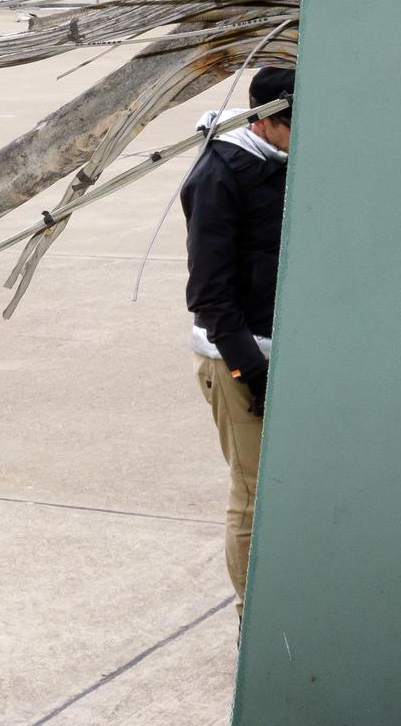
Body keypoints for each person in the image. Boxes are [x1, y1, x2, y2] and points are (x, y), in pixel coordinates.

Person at [180, 66, 295, 616]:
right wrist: (253, 371)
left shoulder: (282, 161)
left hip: (287, 352)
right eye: (297, 124)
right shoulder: (220, 174)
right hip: (238, 360)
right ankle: (258, 627)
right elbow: (209, 294)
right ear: (267, 118)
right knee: (255, 500)